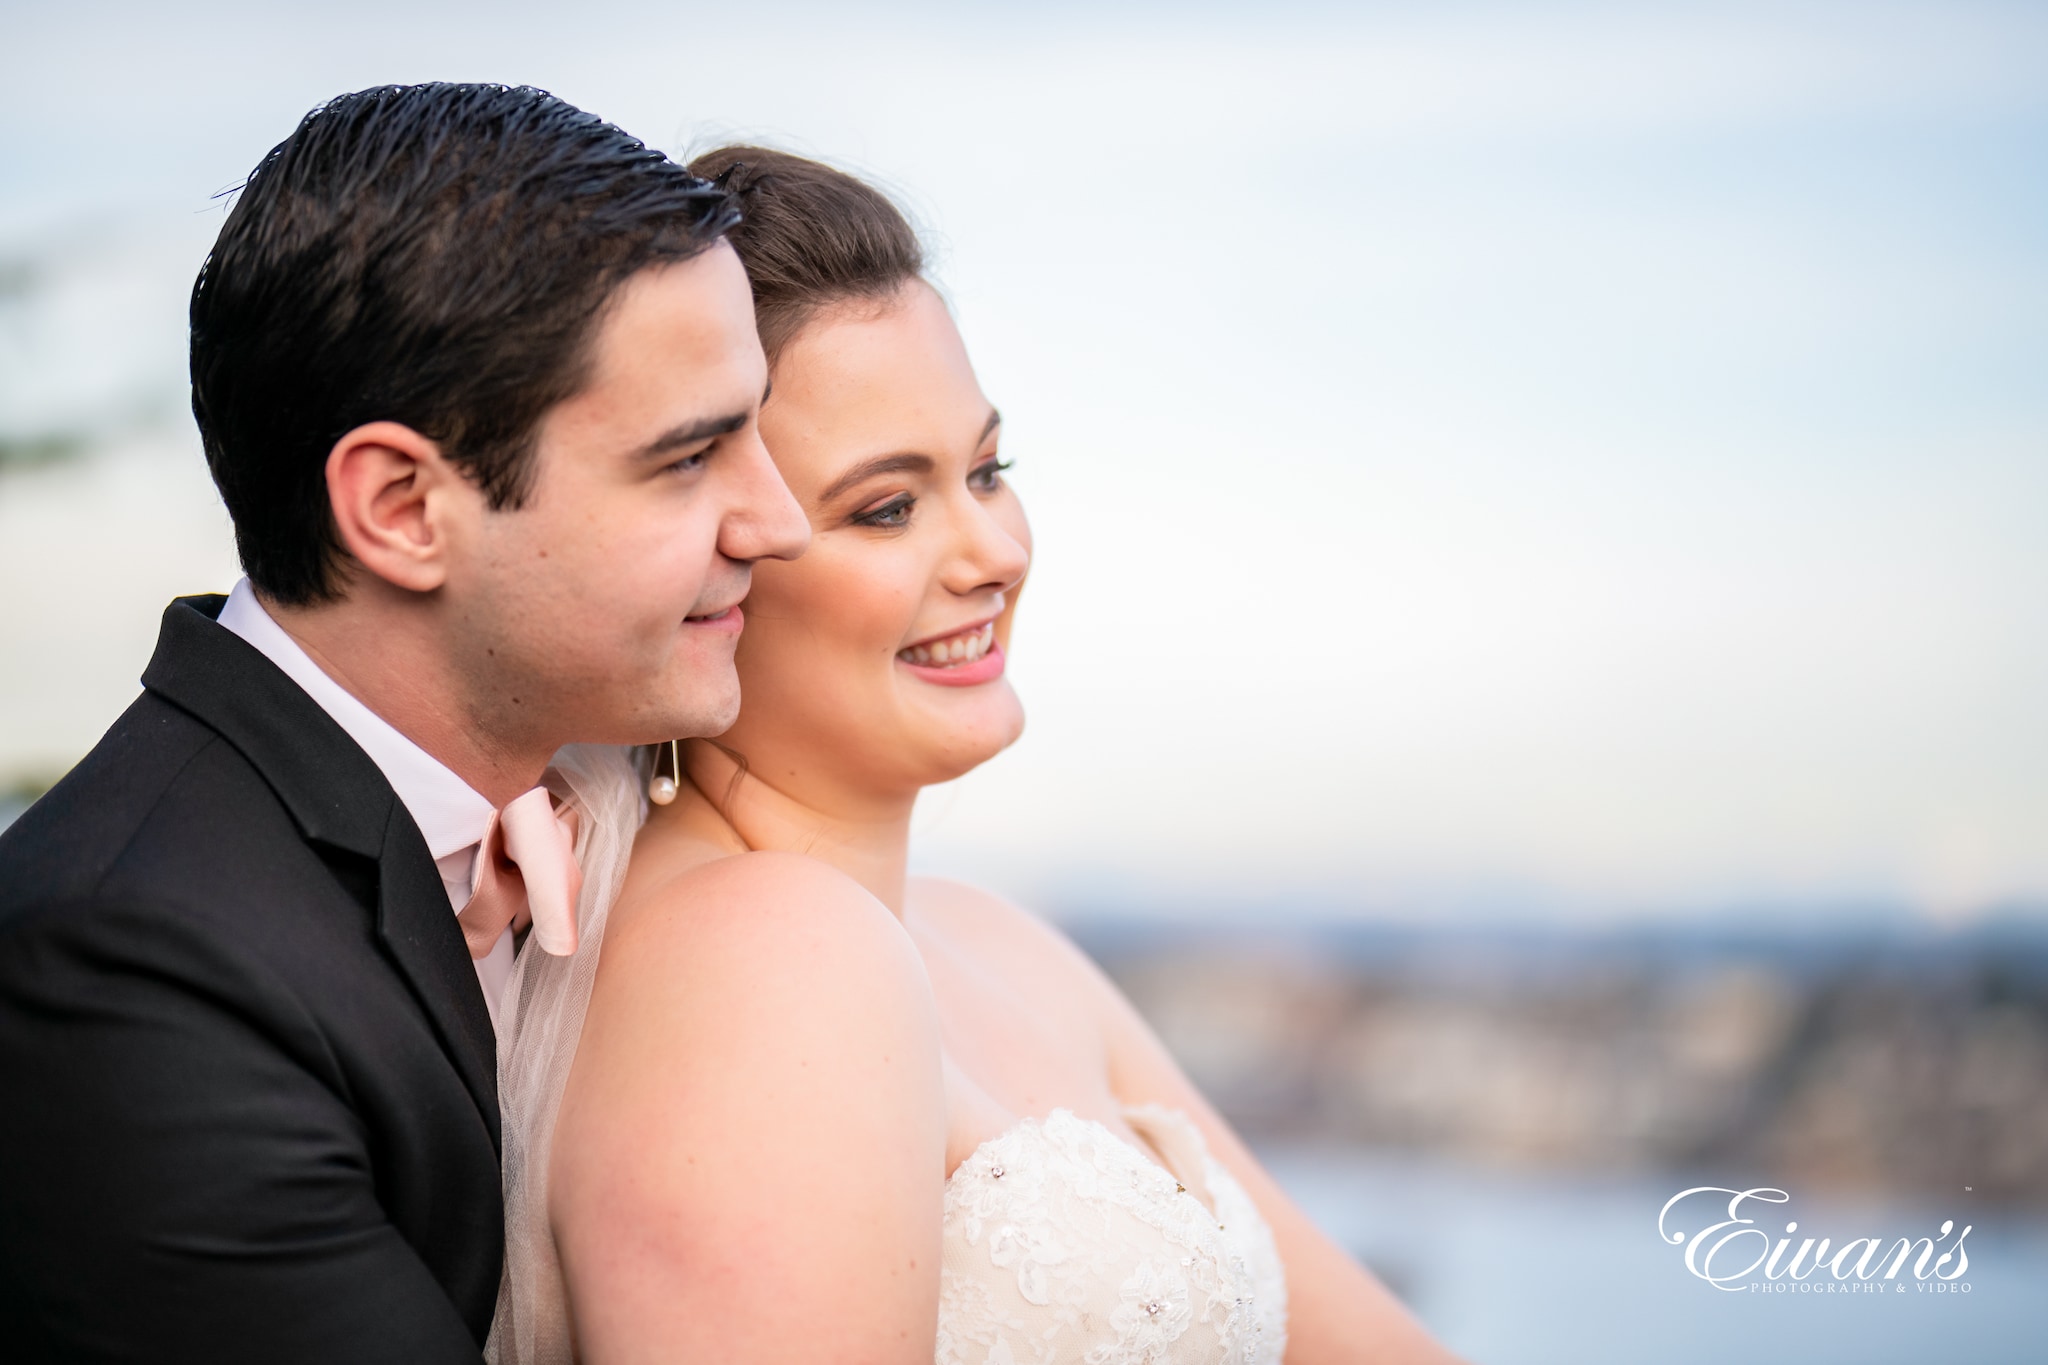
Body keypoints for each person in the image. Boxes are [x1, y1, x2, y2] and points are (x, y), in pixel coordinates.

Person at [494, 149, 1460, 1364]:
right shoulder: (757, 957)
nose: (993, 550)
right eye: (887, 507)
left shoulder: (994, 945)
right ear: (715, 566)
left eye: (988, 471)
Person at [0, 86, 808, 1362]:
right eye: (686, 459)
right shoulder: (128, 973)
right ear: (399, 508)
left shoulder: (619, 821)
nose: (779, 523)